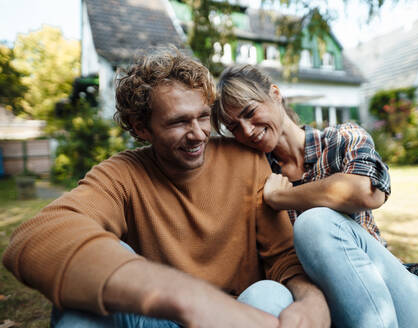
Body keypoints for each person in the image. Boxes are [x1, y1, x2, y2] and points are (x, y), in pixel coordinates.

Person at [3, 49, 330, 328]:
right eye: (178, 122)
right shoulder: (124, 173)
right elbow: (37, 237)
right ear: (141, 127)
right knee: (79, 312)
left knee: (269, 295)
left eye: (203, 117)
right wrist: (188, 299)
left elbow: (283, 257)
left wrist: (312, 300)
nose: (199, 134)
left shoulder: (247, 161)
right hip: (165, 317)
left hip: (242, 315)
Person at [212, 64, 418, 328]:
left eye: (250, 112)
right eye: (234, 127)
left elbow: (366, 192)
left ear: (275, 94)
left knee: (315, 223)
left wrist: (281, 198)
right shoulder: (257, 174)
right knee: (260, 295)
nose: (246, 130)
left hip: (405, 305)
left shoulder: (341, 138)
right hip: (327, 310)